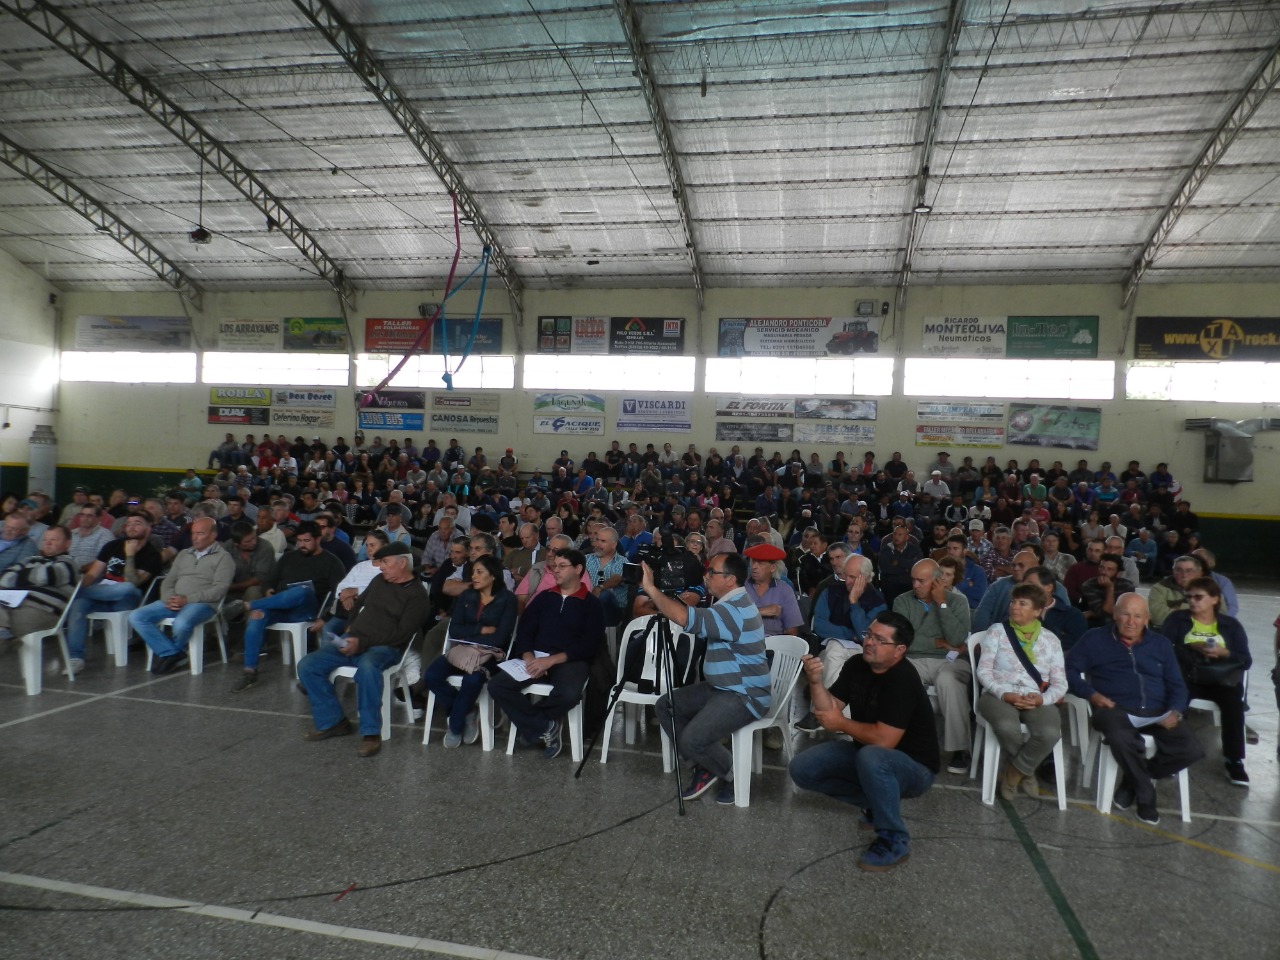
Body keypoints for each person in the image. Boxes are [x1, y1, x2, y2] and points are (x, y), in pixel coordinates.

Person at [788, 611, 938, 872]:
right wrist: (815, 681)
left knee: (873, 756)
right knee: (802, 769)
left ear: (899, 650)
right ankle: (876, 804)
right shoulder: (857, 664)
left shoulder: (903, 678)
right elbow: (829, 709)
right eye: (869, 634)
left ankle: (894, 839)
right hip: (868, 755)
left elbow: (884, 740)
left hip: (915, 767)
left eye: (880, 640)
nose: (869, 642)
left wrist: (841, 724)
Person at [640, 551, 770, 805]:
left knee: (692, 739)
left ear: (730, 579)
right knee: (667, 705)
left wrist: (651, 589)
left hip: (744, 694)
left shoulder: (735, 609)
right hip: (721, 687)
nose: (706, 576)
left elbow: (684, 618)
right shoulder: (727, 604)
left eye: (712, 572)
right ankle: (705, 764)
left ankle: (734, 775)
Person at [1066, 593, 1205, 825]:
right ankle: (1146, 796)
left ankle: (1132, 782)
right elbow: (1069, 670)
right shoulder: (1094, 639)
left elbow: (1178, 685)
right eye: (1125, 614)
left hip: (1157, 712)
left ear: (1147, 618)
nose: (1131, 621)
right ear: (1115, 614)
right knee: (1120, 737)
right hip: (1114, 708)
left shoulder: (1160, 644)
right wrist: (1091, 694)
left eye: (1138, 616)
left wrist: (1175, 711)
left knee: (1192, 749)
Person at [297, 542, 430, 758]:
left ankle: (371, 733)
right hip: (354, 639)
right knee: (307, 665)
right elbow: (359, 605)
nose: (381, 567)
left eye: (385, 562)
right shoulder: (379, 581)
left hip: (385, 647)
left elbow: (402, 634)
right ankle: (333, 721)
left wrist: (362, 643)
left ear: (402, 563)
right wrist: (350, 627)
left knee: (368, 668)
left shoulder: (417, 596)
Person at [487, 548, 604, 759]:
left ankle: (534, 725)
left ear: (578, 569)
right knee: (497, 685)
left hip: (569, 660)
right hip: (535, 655)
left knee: (569, 694)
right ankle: (546, 726)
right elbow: (525, 630)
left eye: (562, 566)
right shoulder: (544, 597)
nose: (556, 570)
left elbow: (589, 644)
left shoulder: (591, 604)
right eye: (554, 566)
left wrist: (551, 660)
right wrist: (529, 657)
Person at [227, 521, 347, 692]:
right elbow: (269, 581)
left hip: (307, 609)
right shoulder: (288, 557)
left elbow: (340, 595)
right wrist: (268, 590)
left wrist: (325, 618)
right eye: (299, 541)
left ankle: (247, 605)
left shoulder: (332, 562)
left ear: (318, 539)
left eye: (307, 541)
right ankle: (250, 671)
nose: (302, 545)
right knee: (257, 616)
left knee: (302, 591)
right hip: (279, 607)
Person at [975, 583, 1067, 800]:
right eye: (1013, 602)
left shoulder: (1050, 640)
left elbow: (1060, 684)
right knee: (1007, 726)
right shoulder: (997, 632)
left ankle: (1014, 772)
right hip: (998, 694)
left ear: (1037, 611)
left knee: (1050, 733)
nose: (1014, 607)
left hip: (1034, 697)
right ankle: (1027, 771)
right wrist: (1003, 693)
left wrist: (1041, 700)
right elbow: (984, 671)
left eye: (1022, 603)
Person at [1160, 577, 1252, 786]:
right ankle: (1171, 752)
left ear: (1214, 599)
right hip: (1186, 676)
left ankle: (1234, 759)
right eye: (1189, 597)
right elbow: (1161, 649)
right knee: (1175, 702)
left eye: (1198, 597)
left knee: (1233, 705)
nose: (1192, 601)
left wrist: (1224, 652)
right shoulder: (1177, 620)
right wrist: (1190, 647)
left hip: (1221, 680)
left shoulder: (1230, 625)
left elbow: (1246, 660)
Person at [421, 554, 518, 748]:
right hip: (462, 650)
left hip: (490, 654)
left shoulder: (507, 599)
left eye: (479, 572)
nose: (474, 576)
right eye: (473, 572)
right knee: (431, 675)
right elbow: (455, 629)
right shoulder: (467, 595)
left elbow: (500, 638)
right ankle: (467, 711)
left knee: (472, 680)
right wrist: (481, 630)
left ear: (493, 575)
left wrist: (470, 636)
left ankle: (455, 727)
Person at [893, 559, 972, 773]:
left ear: (937, 582)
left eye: (921, 581)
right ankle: (905, 742)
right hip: (913, 659)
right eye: (913, 580)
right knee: (900, 677)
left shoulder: (957, 602)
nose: (915, 585)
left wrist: (941, 604)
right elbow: (902, 640)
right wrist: (937, 642)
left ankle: (959, 749)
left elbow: (958, 638)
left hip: (950, 661)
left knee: (949, 680)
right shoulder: (902, 601)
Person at [130, 517, 235, 675]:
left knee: (181, 623)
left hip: (203, 603)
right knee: (136, 616)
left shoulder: (224, 558)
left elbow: (219, 590)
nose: (195, 537)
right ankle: (171, 653)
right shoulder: (184, 554)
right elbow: (168, 581)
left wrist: (187, 599)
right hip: (174, 600)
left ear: (213, 535)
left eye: (200, 533)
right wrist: (169, 598)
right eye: (193, 533)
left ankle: (171, 654)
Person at [64, 511, 164, 670]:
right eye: (129, 523)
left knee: (126, 587)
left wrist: (130, 555)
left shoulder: (152, 554)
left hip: (129, 600)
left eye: (137, 523)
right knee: (79, 604)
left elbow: (133, 582)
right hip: (103, 594)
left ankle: (68, 593)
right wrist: (82, 585)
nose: (131, 527)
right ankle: (75, 657)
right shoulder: (112, 546)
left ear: (148, 528)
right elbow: (92, 574)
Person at [0, 525, 78, 668]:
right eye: (45, 539)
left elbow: (46, 576)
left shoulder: (68, 563)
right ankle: (4, 633)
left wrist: (21, 576)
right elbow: (5, 578)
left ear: (67, 543)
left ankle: (4, 632)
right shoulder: (29, 560)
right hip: (13, 606)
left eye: (54, 539)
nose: (48, 543)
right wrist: (32, 577)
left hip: (43, 611)